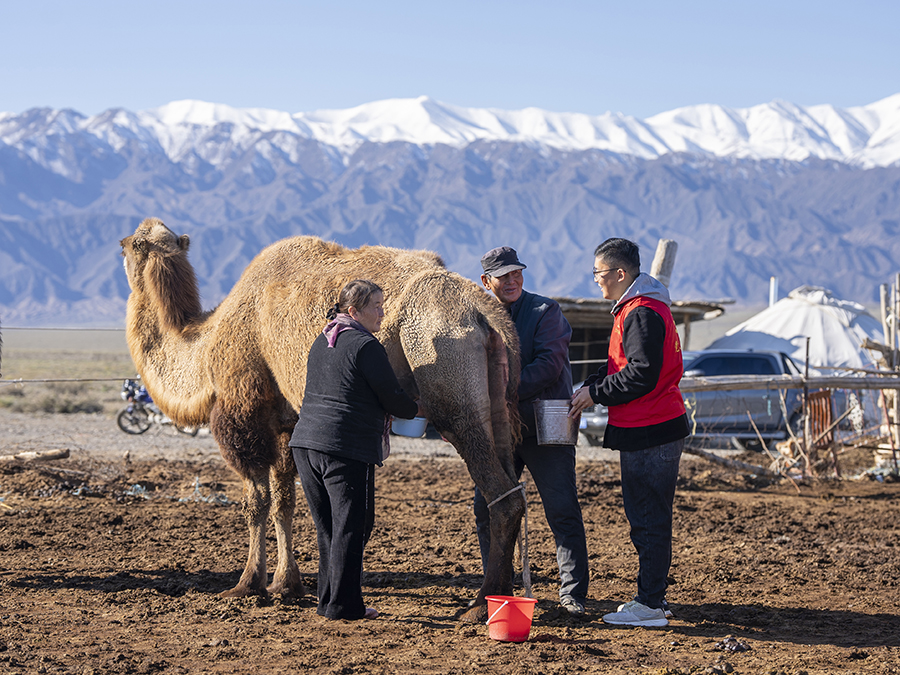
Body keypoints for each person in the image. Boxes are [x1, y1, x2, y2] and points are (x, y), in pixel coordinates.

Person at [569, 237, 689, 628]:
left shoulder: (641, 312)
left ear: (620, 274)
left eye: (599, 274)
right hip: (648, 424)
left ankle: (650, 604)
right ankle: (653, 596)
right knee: (648, 514)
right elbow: (626, 364)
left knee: (648, 516)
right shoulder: (639, 309)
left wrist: (595, 394)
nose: (597, 282)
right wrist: (592, 383)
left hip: (651, 427)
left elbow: (641, 374)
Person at [290, 279, 423, 620]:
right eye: (376, 307)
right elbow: (391, 396)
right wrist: (422, 408)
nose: (382, 312)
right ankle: (346, 607)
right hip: (343, 447)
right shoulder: (365, 346)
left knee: (329, 528)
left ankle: (329, 602)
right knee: (352, 527)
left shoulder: (323, 341)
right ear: (354, 312)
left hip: (306, 445)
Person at [473, 246, 590, 617]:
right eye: (504, 276)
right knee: (487, 507)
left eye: (517, 273)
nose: (512, 281)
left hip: (545, 425)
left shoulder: (545, 312)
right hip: (498, 431)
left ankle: (572, 593)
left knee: (561, 509)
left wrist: (497, 392)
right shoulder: (476, 317)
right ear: (486, 281)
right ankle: (498, 584)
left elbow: (549, 366)